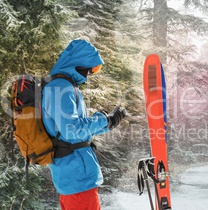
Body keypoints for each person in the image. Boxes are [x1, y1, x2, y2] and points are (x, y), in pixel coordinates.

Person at [42, 39, 125, 210]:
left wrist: (108, 123)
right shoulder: (60, 88)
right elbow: (72, 130)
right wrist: (103, 120)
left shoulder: (65, 86)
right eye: (92, 68)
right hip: (76, 177)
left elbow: (75, 131)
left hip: (75, 176)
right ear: (79, 63)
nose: (90, 73)